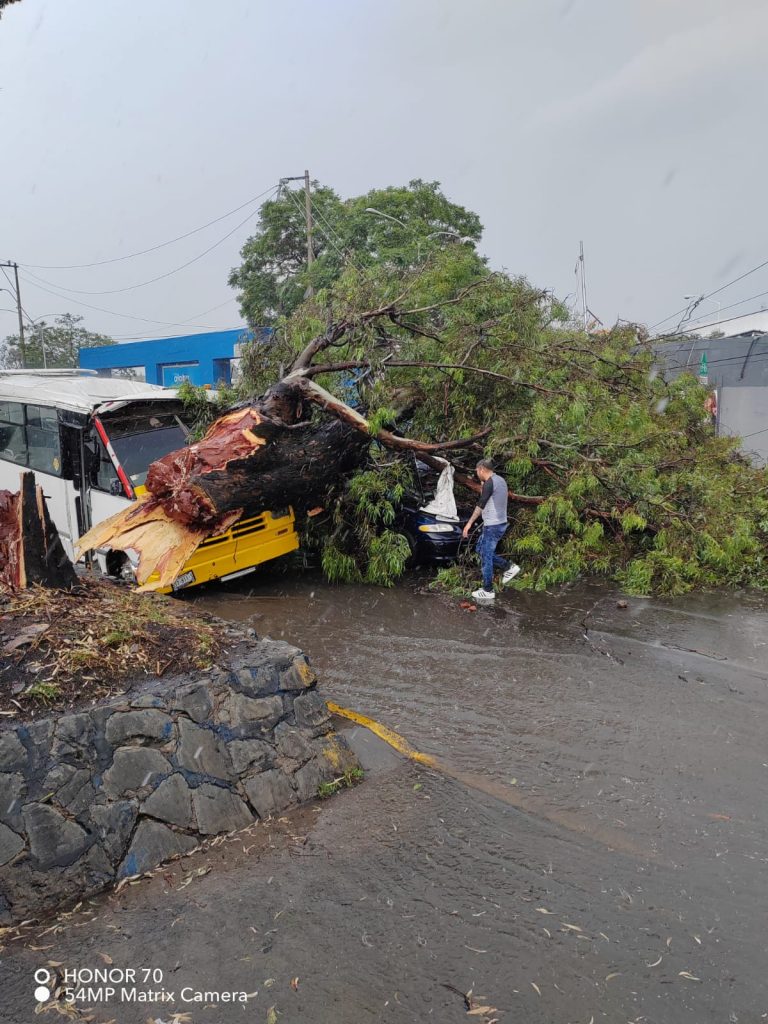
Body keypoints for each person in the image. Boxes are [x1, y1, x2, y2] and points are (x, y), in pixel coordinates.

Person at [462, 459, 520, 601]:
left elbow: (481, 504)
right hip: (498, 523)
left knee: (486, 556)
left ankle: (487, 590)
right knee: (480, 550)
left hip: (493, 526)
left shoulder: (490, 483)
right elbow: (489, 495)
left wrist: (469, 524)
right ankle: (509, 567)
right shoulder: (499, 480)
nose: (476, 474)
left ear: (481, 469)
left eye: (477, 471)